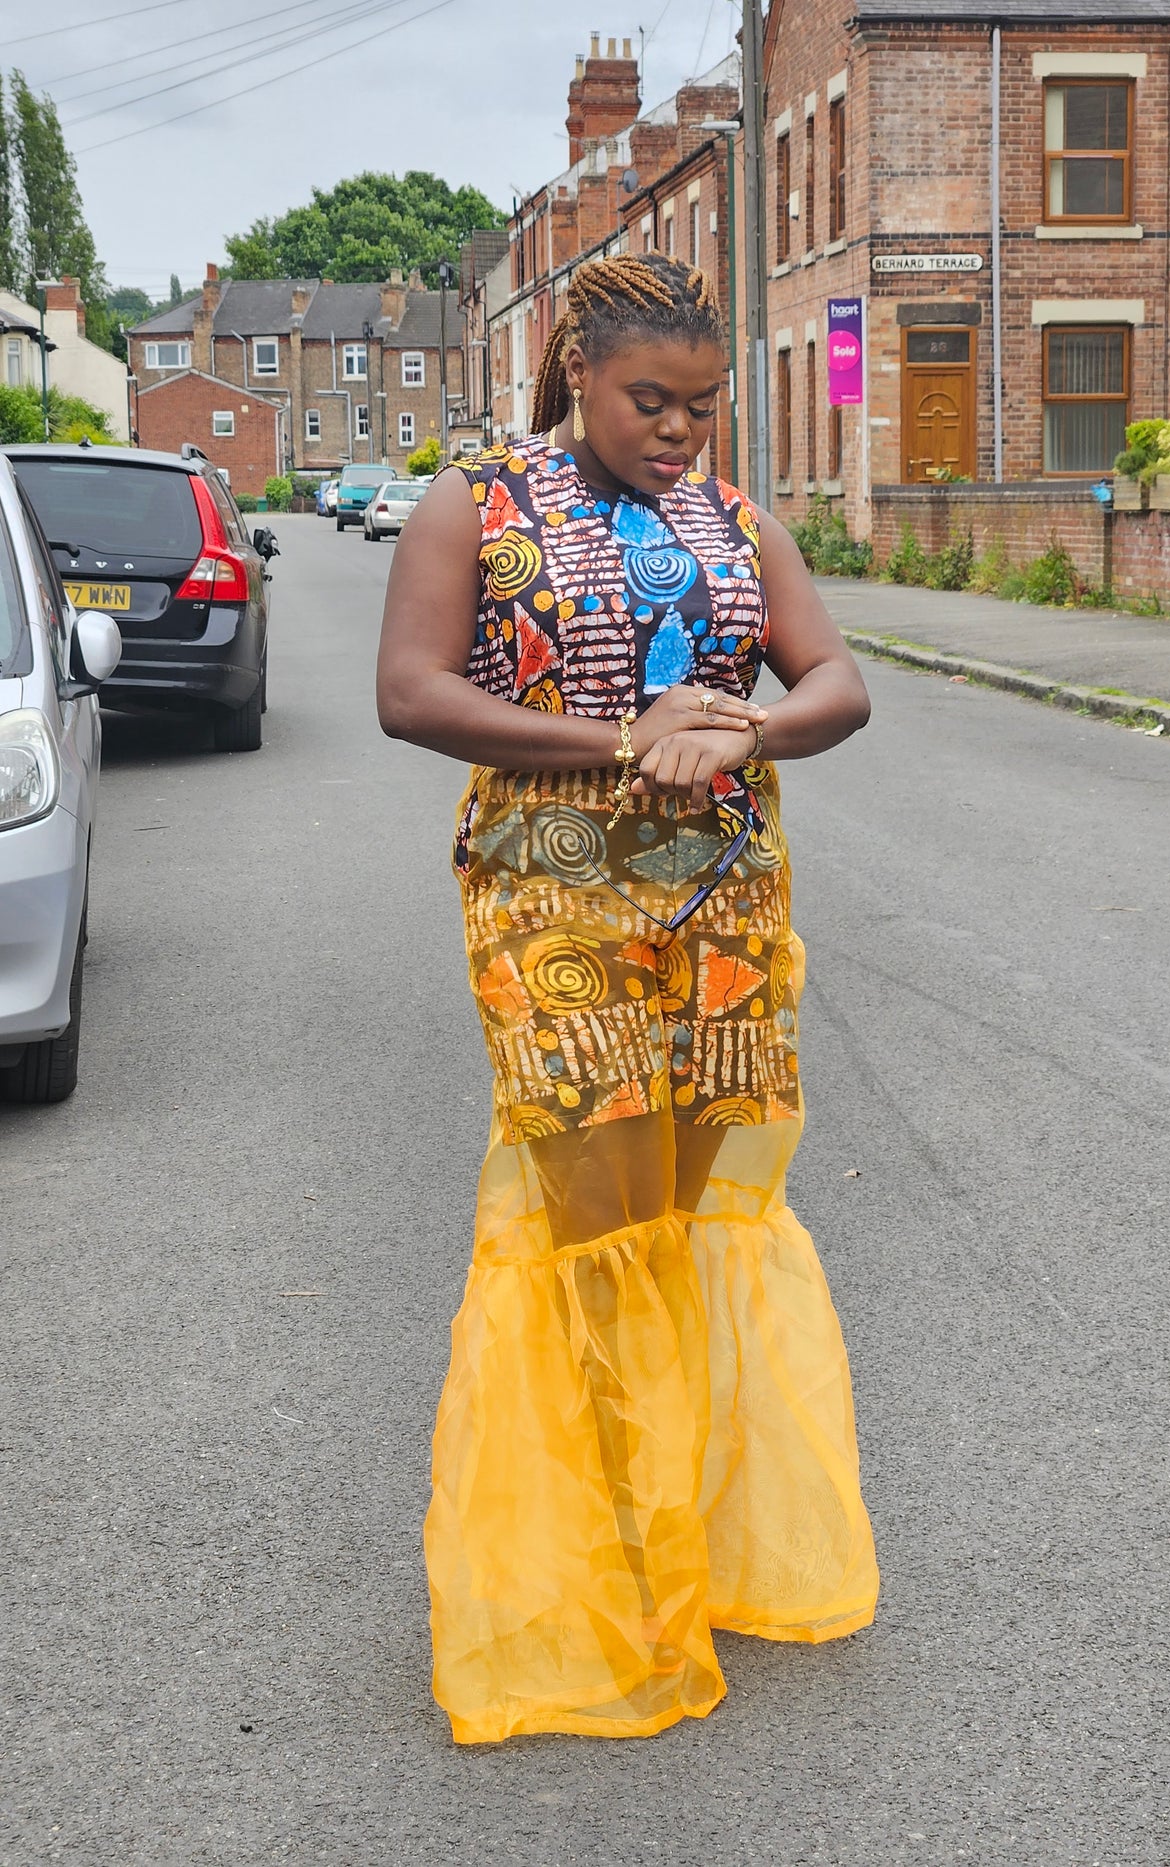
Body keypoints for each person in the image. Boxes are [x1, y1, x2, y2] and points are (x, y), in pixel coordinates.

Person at [376, 252, 879, 1744]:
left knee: (681, 1222)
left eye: (702, 409)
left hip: (727, 911)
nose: (678, 433)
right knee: (594, 1229)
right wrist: (621, 739)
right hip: (550, 908)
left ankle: (684, 1547)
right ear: (578, 369)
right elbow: (410, 694)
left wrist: (754, 734)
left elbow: (840, 679)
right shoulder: (475, 505)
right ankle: (616, 1575)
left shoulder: (738, 519)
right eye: (651, 402)